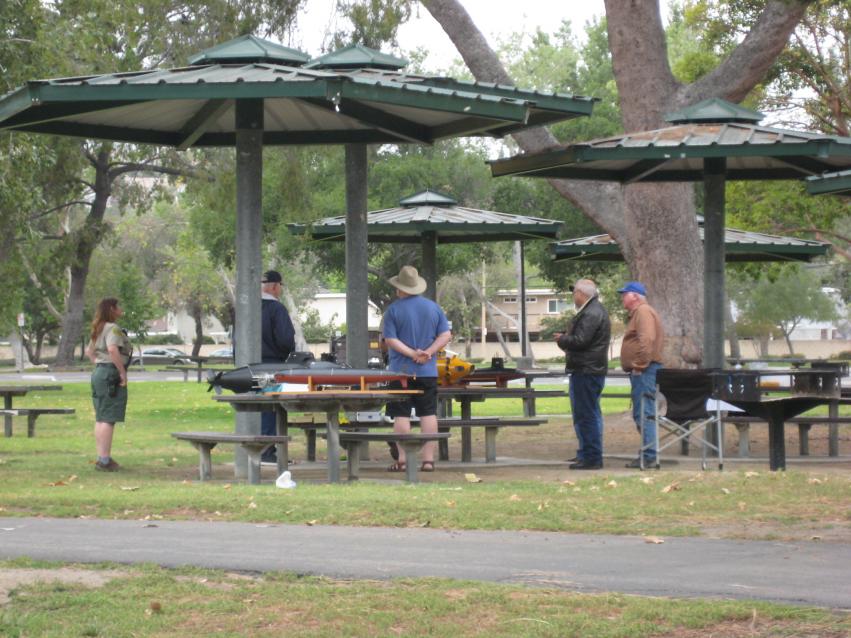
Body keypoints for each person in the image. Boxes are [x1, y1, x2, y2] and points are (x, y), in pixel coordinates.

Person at [382, 265, 452, 473]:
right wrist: (428, 352)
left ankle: (403, 460)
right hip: (427, 371)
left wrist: (412, 354)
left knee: (401, 415)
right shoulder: (434, 308)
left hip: (401, 371)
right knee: (428, 413)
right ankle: (428, 460)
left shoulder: (393, 310)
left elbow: (390, 340)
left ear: (400, 288)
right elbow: (445, 335)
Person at [555, 279, 611, 470]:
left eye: (575, 293)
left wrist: (563, 339)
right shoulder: (594, 310)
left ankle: (592, 457)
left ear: (581, 293)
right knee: (588, 414)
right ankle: (586, 453)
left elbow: (581, 341)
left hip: (586, 370)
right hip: (589, 369)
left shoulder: (591, 313)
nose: (573, 296)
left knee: (586, 415)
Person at [618, 281, 665, 469]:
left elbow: (647, 340)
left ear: (635, 296)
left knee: (644, 413)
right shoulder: (640, 312)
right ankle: (648, 453)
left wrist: (639, 365)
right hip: (645, 370)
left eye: (625, 294)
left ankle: (649, 455)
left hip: (645, 371)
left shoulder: (643, 311)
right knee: (642, 413)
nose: (622, 298)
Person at [86, 298, 132, 472]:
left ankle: (102, 457)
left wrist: (99, 363)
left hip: (99, 372)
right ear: (112, 309)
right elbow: (113, 349)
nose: (120, 309)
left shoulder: (98, 328)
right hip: (110, 374)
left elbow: (89, 352)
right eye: (118, 306)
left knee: (101, 416)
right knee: (108, 417)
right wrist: (121, 372)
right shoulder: (113, 328)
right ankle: (104, 461)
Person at [260, 270, 296, 462]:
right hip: (272, 365)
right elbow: (285, 340)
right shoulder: (277, 309)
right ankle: (267, 451)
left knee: (257, 406)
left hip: (249, 365)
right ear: (275, 286)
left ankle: (260, 448)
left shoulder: (248, 308)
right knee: (271, 407)